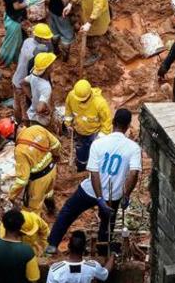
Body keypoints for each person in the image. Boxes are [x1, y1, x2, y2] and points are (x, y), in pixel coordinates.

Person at [47, 108, 139, 255]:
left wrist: (99, 197)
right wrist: (126, 195)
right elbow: (134, 173)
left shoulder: (99, 143)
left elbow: (94, 172)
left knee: (68, 211)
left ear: (112, 122)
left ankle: (52, 243)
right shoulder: (133, 148)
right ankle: (103, 251)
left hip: (90, 190)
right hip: (113, 195)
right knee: (107, 224)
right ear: (128, 126)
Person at [7, 117, 60, 216]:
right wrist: (56, 156)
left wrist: (12, 195)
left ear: (11, 135)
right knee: (49, 191)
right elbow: (56, 144)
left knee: (32, 208)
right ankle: (52, 209)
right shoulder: (36, 128)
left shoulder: (20, 150)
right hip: (52, 170)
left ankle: (34, 228)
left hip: (39, 180)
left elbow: (22, 180)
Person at [63, 79, 111, 170]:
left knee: (96, 155)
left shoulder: (100, 103)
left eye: (84, 100)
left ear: (90, 95)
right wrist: (68, 124)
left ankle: (94, 169)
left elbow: (107, 123)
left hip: (94, 134)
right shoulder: (71, 96)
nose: (81, 102)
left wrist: (99, 140)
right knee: (81, 154)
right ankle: (81, 167)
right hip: (79, 131)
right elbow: (68, 111)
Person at [71, 0, 110, 67]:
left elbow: (98, 6)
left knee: (93, 35)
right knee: (90, 30)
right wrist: (71, 3)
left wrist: (89, 23)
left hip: (98, 15)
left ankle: (95, 53)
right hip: (86, 10)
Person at [12, 23, 54, 93]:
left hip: (19, 78)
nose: (49, 41)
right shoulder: (33, 54)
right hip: (23, 82)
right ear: (39, 38)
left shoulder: (28, 41)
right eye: (46, 39)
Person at [22, 51, 56, 127]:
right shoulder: (46, 87)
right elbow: (39, 109)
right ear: (47, 68)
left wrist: (32, 97)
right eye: (52, 64)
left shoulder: (33, 76)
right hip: (40, 122)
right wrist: (47, 110)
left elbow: (23, 83)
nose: (53, 65)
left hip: (32, 115)